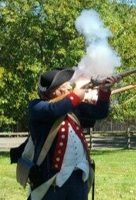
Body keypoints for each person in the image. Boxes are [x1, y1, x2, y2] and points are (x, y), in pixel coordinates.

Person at [27, 68, 120, 200]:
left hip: (78, 176)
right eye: (65, 86)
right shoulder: (36, 107)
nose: (69, 88)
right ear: (54, 91)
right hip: (52, 178)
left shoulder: (72, 106)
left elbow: (100, 112)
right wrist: (77, 95)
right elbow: (55, 110)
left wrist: (104, 90)